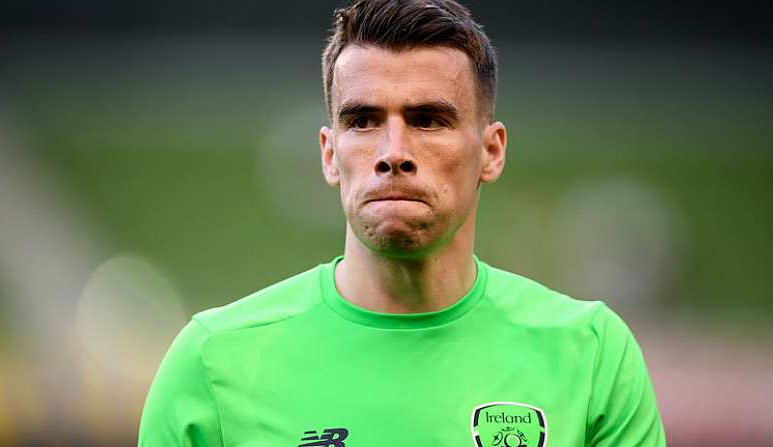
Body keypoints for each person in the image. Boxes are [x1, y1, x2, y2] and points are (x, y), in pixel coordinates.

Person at [138, 0, 666, 446]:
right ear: (329, 154)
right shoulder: (211, 364)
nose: (394, 152)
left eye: (428, 120)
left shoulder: (591, 355)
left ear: (491, 151)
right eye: (363, 120)